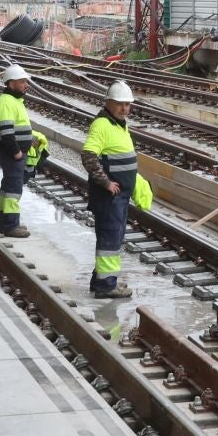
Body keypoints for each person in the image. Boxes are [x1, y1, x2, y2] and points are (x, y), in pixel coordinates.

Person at [80, 81, 153, 298]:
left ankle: (101, 280)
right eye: (120, 104)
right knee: (109, 240)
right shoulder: (102, 125)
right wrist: (106, 183)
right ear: (109, 103)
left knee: (113, 237)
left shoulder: (119, 124)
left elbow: (121, 160)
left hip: (119, 197)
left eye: (128, 105)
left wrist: (135, 181)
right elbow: (88, 156)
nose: (124, 109)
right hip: (109, 197)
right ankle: (106, 286)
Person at [0, 65, 44, 239]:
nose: (26, 84)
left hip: (15, 152)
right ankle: (11, 226)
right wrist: (17, 153)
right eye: (22, 82)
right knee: (13, 189)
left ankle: (6, 222)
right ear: (11, 84)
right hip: (12, 153)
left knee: (8, 188)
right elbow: (6, 132)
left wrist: (31, 138)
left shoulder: (14, 101)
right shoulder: (6, 102)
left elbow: (17, 128)